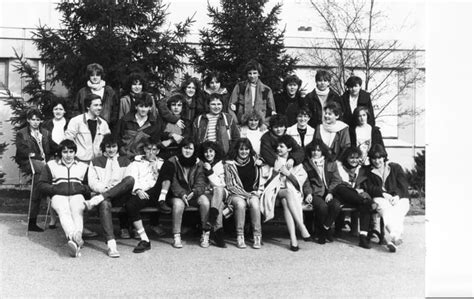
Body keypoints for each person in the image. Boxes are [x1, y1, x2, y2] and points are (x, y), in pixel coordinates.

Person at [37, 140, 90, 257]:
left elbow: (89, 185)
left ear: (75, 152)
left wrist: (81, 189)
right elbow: (41, 184)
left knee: (77, 210)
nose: (68, 155)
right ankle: (74, 237)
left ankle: (74, 240)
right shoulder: (51, 165)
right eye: (65, 152)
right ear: (60, 153)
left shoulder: (83, 166)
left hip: (77, 195)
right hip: (58, 195)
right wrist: (55, 190)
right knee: (63, 210)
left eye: (71, 151)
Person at [121, 139, 175, 253]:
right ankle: (145, 240)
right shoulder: (136, 163)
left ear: (158, 151)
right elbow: (131, 178)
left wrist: (157, 168)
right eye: (149, 149)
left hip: (160, 192)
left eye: (154, 149)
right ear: (144, 149)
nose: (151, 152)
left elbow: (167, 179)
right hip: (145, 192)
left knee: (169, 165)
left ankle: (162, 200)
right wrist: (138, 190)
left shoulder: (162, 162)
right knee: (131, 205)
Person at [86, 134, 134, 257]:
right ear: (104, 147)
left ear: (118, 147)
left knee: (130, 180)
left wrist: (107, 193)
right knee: (105, 203)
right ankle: (111, 244)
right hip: (103, 195)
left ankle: (100, 198)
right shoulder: (95, 162)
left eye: (114, 146)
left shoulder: (125, 161)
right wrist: (104, 190)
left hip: (120, 197)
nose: (111, 150)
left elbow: (127, 182)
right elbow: (92, 182)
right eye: (108, 147)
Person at [261, 135, 311, 251]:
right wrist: (276, 172)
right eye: (277, 146)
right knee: (287, 193)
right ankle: (301, 226)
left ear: (289, 149)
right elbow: (266, 180)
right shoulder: (273, 160)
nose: (278, 149)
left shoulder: (296, 163)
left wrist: (288, 174)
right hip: (274, 192)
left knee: (286, 200)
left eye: (282, 146)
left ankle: (293, 240)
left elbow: (299, 183)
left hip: (289, 193)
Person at [364, 144, 410, 253]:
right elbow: (369, 187)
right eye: (374, 158)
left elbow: (403, 185)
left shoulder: (395, 168)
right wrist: (383, 193)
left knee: (401, 207)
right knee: (385, 208)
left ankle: (394, 238)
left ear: (384, 157)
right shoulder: (368, 171)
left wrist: (397, 196)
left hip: (399, 197)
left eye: (379, 157)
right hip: (381, 197)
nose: (377, 161)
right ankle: (395, 237)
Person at [223, 138, 265, 249]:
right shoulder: (229, 164)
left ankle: (257, 236)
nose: (244, 152)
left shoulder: (255, 160)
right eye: (241, 149)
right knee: (241, 205)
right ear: (236, 150)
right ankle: (240, 236)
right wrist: (247, 195)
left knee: (255, 205)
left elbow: (262, 178)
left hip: (252, 192)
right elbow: (231, 185)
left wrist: (257, 192)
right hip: (235, 194)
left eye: (247, 149)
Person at [168, 138, 209, 248]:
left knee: (205, 201)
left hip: (193, 193)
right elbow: (172, 181)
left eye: (190, 148)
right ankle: (177, 236)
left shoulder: (198, 163)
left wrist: (194, 192)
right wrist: (182, 194)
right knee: (178, 204)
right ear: (181, 148)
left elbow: (201, 182)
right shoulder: (173, 161)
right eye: (185, 148)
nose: (187, 151)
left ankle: (205, 233)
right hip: (177, 194)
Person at [15, 109, 51, 232]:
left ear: (41, 121)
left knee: (43, 173)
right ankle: (32, 221)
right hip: (28, 161)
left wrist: (63, 148)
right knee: (42, 173)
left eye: (38, 119)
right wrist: (36, 155)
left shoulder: (45, 133)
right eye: (33, 119)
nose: (35, 122)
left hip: (43, 163)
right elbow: (22, 150)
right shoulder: (22, 133)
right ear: (28, 120)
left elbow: (52, 146)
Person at [302, 139, 342, 245]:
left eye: (318, 150)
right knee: (322, 207)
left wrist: (330, 192)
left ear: (322, 152)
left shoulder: (331, 163)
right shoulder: (306, 164)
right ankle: (324, 232)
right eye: (313, 150)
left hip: (329, 192)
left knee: (336, 205)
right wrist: (308, 193)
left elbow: (337, 180)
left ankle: (324, 230)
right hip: (315, 193)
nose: (316, 152)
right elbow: (305, 181)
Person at [334, 147, 373, 249]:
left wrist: (360, 190)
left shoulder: (362, 169)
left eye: (356, 158)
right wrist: (355, 191)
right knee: (342, 188)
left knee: (364, 204)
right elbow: (339, 184)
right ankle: (364, 201)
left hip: (357, 199)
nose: (354, 160)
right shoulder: (340, 167)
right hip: (343, 197)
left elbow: (365, 185)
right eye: (351, 158)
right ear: (346, 158)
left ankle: (363, 237)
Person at [42, 98, 69, 229]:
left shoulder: (69, 123)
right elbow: (45, 141)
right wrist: (57, 152)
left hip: (67, 156)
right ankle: (53, 218)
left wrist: (63, 151)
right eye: (55, 109)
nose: (58, 111)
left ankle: (67, 216)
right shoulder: (46, 124)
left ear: (65, 111)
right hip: (52, 157)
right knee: (50, 186)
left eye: (60, 109)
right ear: (52, 111)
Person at [65, 93, 111, 163]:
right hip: (80, 162)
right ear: (88, 107)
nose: (99, 108)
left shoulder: (103, 123)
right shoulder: (76, 121)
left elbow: (108, 142)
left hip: (98, 162)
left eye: (100, 105)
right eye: (96, 105)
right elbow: (68, 141)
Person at [115, 93, 162, 159]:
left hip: (144, 159)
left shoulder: (154, 124)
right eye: (141, 106)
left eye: (146, 107)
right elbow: (117, 139)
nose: (143, 109)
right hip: (124, 157)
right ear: (136, 106)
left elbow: (155, 144)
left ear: (150, 108)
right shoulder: (125, 120)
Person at [229, 60, 276, 125]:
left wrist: (265, 123)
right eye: (250, 73)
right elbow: (230, 107)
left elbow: (272, 110)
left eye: (254, 73)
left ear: (259, 73)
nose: (252, 76)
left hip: (260, 123)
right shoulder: (240, 87)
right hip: (242, 122)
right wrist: (236, 123)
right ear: (247, 74)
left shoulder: (266, 90)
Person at [199, 141, 227, 248]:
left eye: (211, 151)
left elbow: (221, 184)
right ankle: (218, 233)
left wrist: (210, 171)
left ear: (215, 152)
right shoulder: (200, 164)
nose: (208, 154)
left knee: (218, 189)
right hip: (208, 194)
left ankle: (206, 231)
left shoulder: (220, 164)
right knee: (219, 205)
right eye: (206, 152)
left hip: (221, 192)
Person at [74, 63, 118, 127]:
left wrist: (111, 123)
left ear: (101, 76)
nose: (95, 77)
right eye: (92, 75)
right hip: (86, 127)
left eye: (98, 75)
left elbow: (115, 110)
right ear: (89, 76)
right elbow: (76, 110)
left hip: (106, 127)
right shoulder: (82, 92)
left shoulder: (109, 91)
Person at [159, 93, 193, 159]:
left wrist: (170, 141)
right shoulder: (163, 121)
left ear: (182, 107)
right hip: (163, 153)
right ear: (169, 106)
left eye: (179, 105)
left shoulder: (186, 122)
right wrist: (172, 134)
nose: (176, 107)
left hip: (180, 154)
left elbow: (186, 138)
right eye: (173, 105)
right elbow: (159, 135)